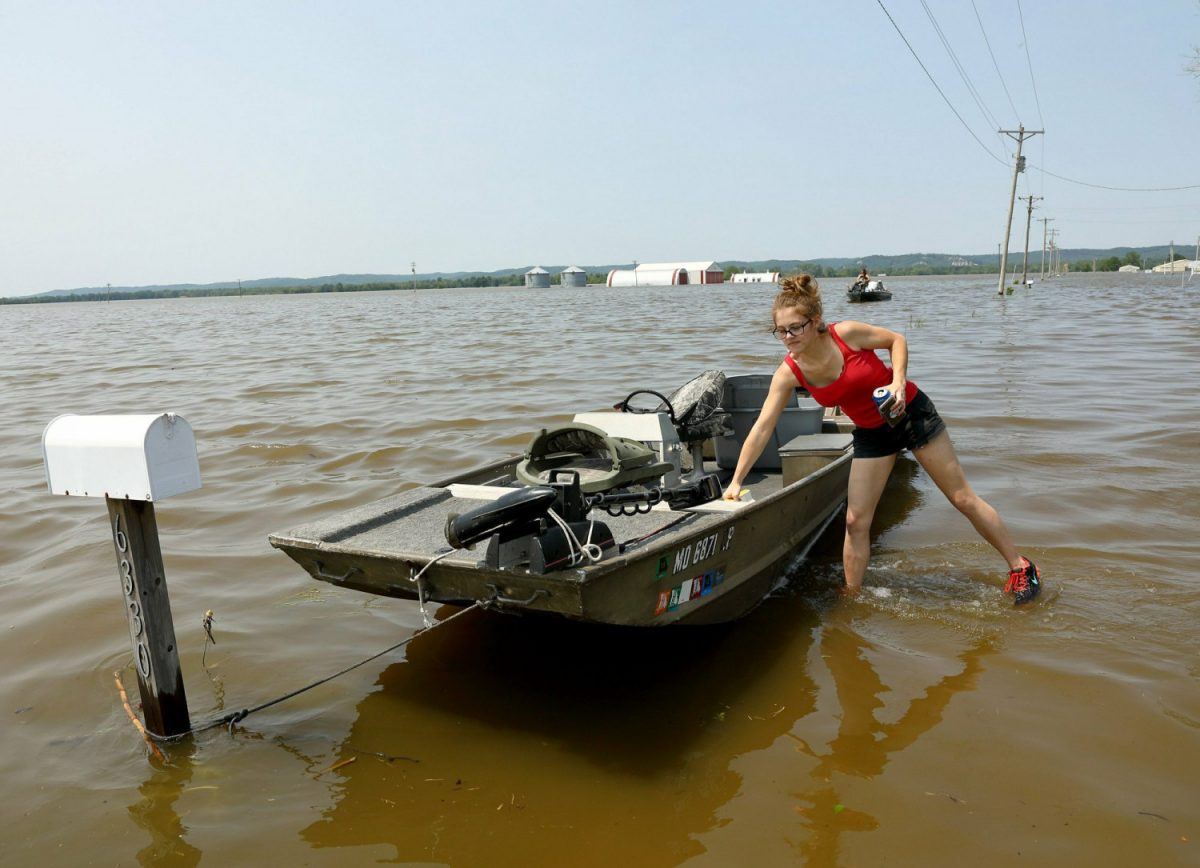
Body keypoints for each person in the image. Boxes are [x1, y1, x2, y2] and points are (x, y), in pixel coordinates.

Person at [721, 273, 1041, 604]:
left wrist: (898, 382)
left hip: (911, 415)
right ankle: (851, 595)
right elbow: (762, 427)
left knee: (961, 498)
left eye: (795, 328)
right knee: (856, 521)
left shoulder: (845, 334)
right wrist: (736, 481)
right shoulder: (789, 372)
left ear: (815, 321)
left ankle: (1021, 567)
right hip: (872, 433)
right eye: (781, 331)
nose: (788, 337)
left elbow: (896, 340)